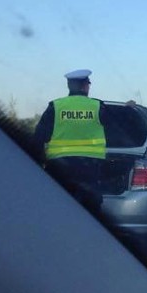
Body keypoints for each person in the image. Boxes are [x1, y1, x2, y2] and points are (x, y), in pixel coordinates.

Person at [33, 69, 121, 214]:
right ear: (85, 86)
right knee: (90, 212)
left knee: (58, 209)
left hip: (59, 167)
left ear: (69, 86)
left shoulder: (56, 106)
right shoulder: (97, 106)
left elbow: (38, 138)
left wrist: (42, 163)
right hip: (90, 169)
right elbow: (116, 135)